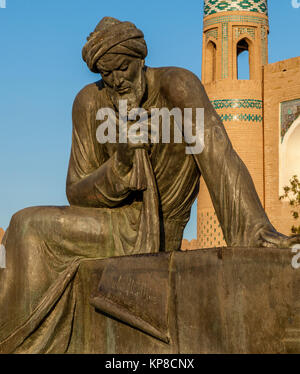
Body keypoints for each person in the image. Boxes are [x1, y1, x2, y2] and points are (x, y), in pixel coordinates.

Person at [0, 17, 297, 353]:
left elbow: (218, 154)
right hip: (113, 224)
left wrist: (255, 231)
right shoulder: (89, 101)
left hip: (157, 230)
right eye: (106, 73)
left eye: (123, 68)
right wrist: (121, 165)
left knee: (27, 226)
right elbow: (75, 191)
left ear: (141, 59)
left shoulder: (176, 87)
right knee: (23, 225)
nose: (117, 80)